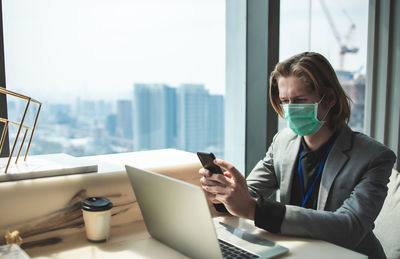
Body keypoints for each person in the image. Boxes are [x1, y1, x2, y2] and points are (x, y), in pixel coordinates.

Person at [199, 52, 396, 259]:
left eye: (299, 100)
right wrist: (226, 192)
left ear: (329, 99)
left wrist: (253, 210)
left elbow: (350, 227)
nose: (290, 109)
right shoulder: (282, 142)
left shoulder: (374, 156)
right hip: (297, 252)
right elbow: (250, 193)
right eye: (285, 101)